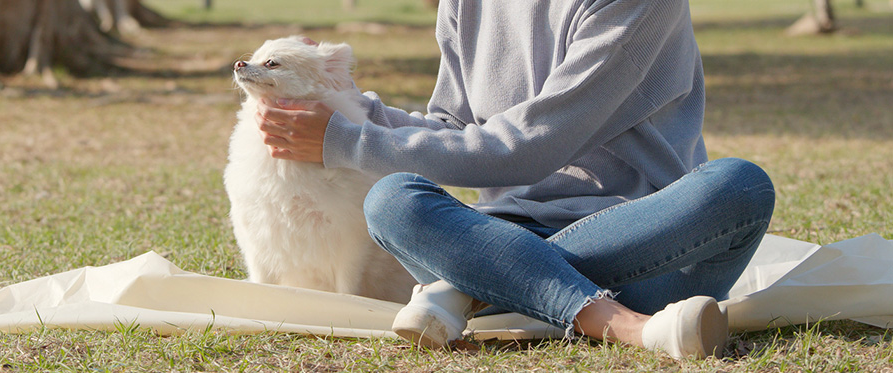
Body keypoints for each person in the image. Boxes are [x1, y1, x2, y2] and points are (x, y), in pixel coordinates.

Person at [253, 0, 775, 360]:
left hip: (642, 244)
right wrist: (350, 107)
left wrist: (347, 143)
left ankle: (475, 290)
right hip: (502, 231)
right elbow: (453, 130)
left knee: (739, 185)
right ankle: (624, 325)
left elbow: (529, 148)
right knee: (392, 199)